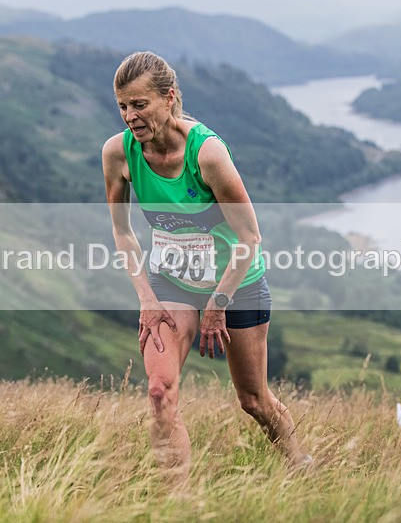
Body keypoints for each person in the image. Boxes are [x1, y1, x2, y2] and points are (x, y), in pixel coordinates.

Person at [101, 51, 309, 483]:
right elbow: (122, 232)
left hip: (236, 282)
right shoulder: (118, 154)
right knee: (159, 392)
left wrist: (217, 304)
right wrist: (146, 297)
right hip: (170, 281)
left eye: (139, 104)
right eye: (122, 106)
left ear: (169, 97)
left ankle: (300, 463)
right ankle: (176, 500)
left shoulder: (208, 154)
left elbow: (250, 237)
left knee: (253, 400)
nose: (130, 116)